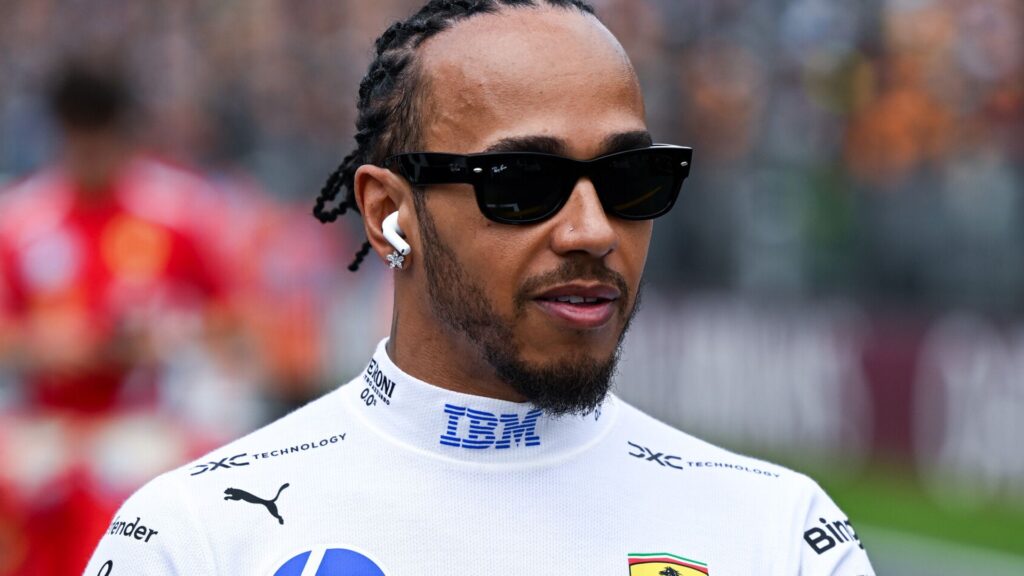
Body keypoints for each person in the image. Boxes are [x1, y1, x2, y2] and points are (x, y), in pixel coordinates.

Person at [83, 1, 876, 574]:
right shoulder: (197, 538)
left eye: (631, 177)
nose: (592, 230)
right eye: (521, 181)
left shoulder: (779, 532)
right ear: (388, 214)